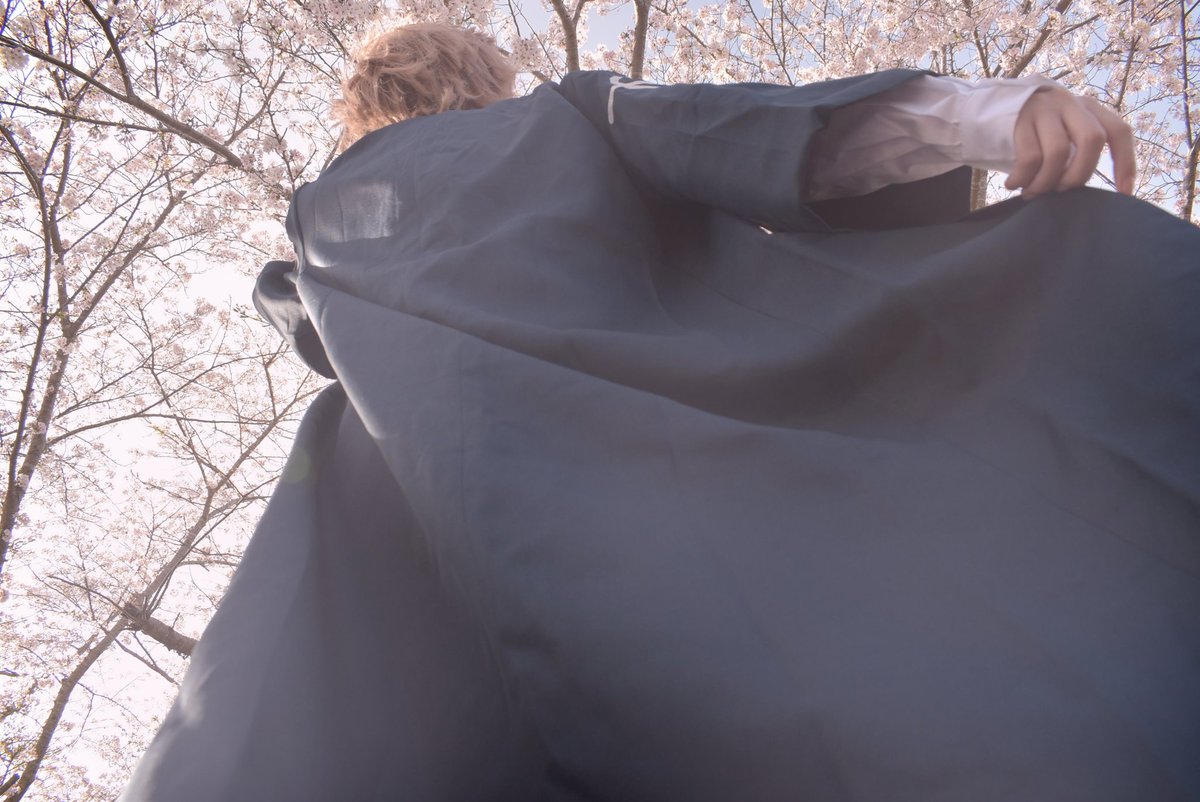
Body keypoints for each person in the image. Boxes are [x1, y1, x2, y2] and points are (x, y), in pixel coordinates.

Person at [122, 23, 1199, 802]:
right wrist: (992, 115)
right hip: (668, 430)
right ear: (486, 78)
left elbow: (308, 333)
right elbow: (734, 130)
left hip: (430, 494)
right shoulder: (562, 117)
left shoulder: (308, 239)